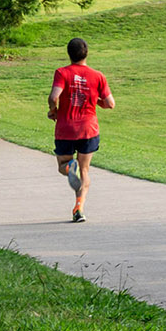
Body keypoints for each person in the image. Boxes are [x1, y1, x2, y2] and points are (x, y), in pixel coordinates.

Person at [48, 37, 115, 223]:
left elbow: (54, 97)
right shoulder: (98, 76)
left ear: (69, 54)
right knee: (85, 171)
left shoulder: (62, 73)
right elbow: (110, 104)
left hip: (66, 128)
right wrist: (96, 101)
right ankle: (79, 208)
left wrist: (53, 111)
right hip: (88, 128)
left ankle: (70, 167)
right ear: (87, 53)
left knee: (64, 166)